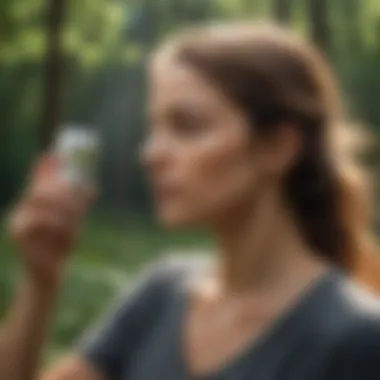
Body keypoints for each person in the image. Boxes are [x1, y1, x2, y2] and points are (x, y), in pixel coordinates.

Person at [1, 22, 380, 380]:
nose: (150, 154)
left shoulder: (357, 339)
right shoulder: (163, 293)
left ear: (278, 146)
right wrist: (40, 282)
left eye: (186, 126)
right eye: (155, 128)